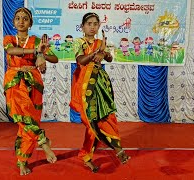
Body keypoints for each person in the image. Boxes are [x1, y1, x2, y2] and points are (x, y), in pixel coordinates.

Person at [70, 12, 130, 173]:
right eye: (88, 23)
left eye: (95, 24)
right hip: (85, 85)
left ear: (98, 27)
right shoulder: (79, 42)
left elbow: (109, 59)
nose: (92, 26)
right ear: (82, 26)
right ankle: (117, 149)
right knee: (92, 120)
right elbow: (80, 60)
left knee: (105, 117)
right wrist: (95, 53)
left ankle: (87, 155)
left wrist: (105, 53)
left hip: (100, 83)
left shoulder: (99, 42)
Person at [3, 7, 58, 176]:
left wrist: (43, 54)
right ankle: (44, 143)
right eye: (18, 18)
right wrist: (36, 52)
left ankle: (22, 161)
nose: (21, 21)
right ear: (13, 22)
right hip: (14, 81)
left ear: (30, 22)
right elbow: (11, 51)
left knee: (27, 123)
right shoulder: (9, 39)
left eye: (25, 18)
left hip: (34, 83)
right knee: (24, 118)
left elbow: (55, 58)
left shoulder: (36, 40)